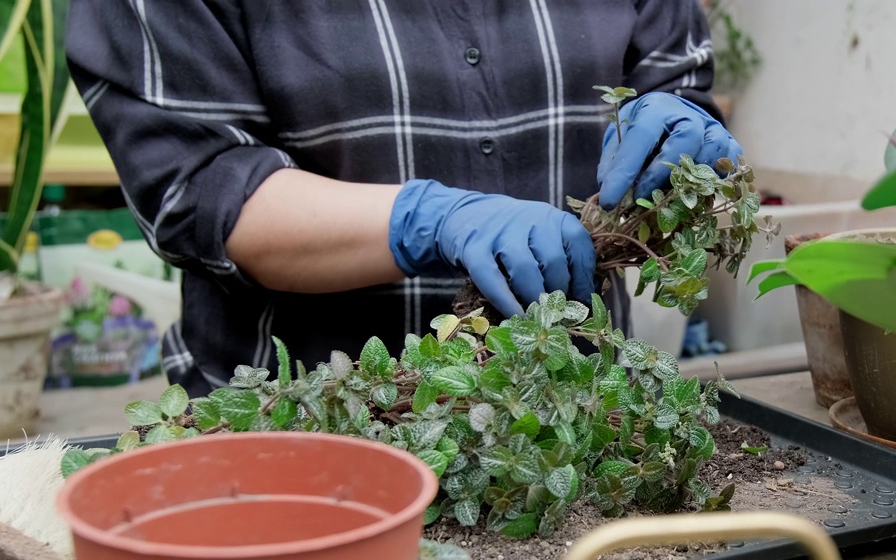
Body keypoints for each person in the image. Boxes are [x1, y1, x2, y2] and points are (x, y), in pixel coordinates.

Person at [65, 0, 743, 399]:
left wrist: (682, 133)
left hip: (579, 408)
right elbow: (200, 184)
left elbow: (674, 87)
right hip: (303, 418)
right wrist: (428, 220)